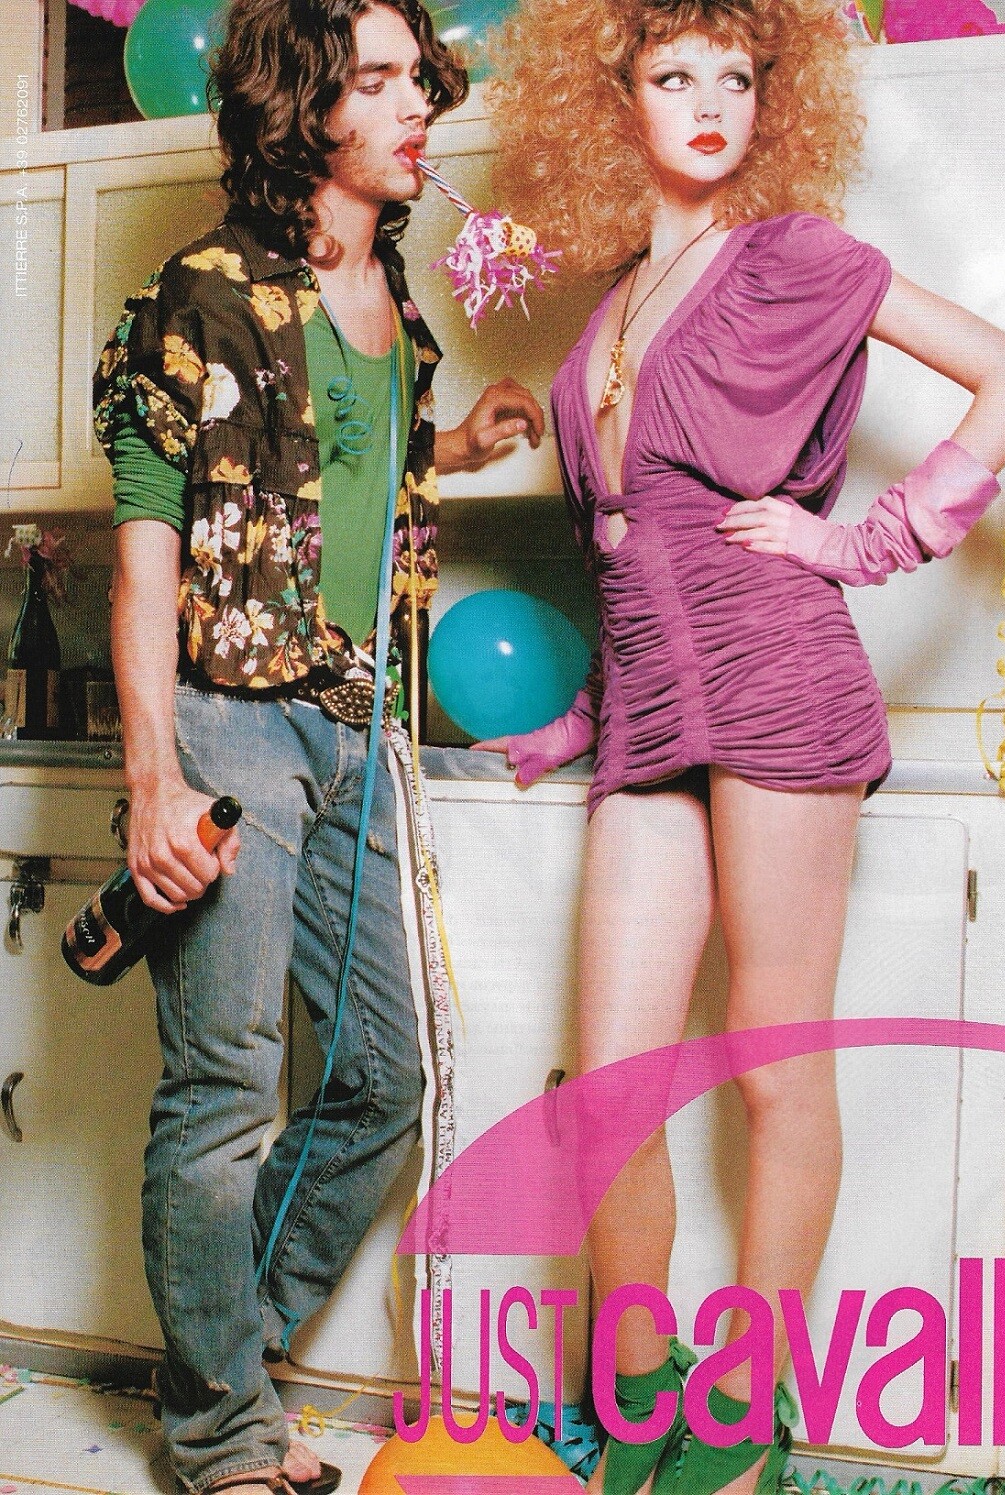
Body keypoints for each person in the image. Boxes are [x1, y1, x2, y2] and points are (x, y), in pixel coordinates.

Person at [480, 3, 1005, 1493]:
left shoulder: (791, 257)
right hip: (652, 714)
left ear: (771, 102)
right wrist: (582, 721)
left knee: (771, 1065)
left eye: (738, 78)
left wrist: (863, 540)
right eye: (674, 75)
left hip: (782, 683)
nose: (711, 103)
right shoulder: (615, 301)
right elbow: (633, 549)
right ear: (613, 99)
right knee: (610, 1091)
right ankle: (641, 1396)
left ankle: (743, 1422)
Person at [93, 2, 543, 1492]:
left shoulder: (391, 296)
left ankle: (225, 1358)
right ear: (305, 108)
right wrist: (154, 777)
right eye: (380, 80)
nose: (421, 105)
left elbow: (334, 472)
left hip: (358, 722)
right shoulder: (203, 295)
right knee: (225, 1090)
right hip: (229, 721)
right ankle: (225, 1434)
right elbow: (148, 548)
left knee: (378, 1079)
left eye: (422, 77)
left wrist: (456, 445)